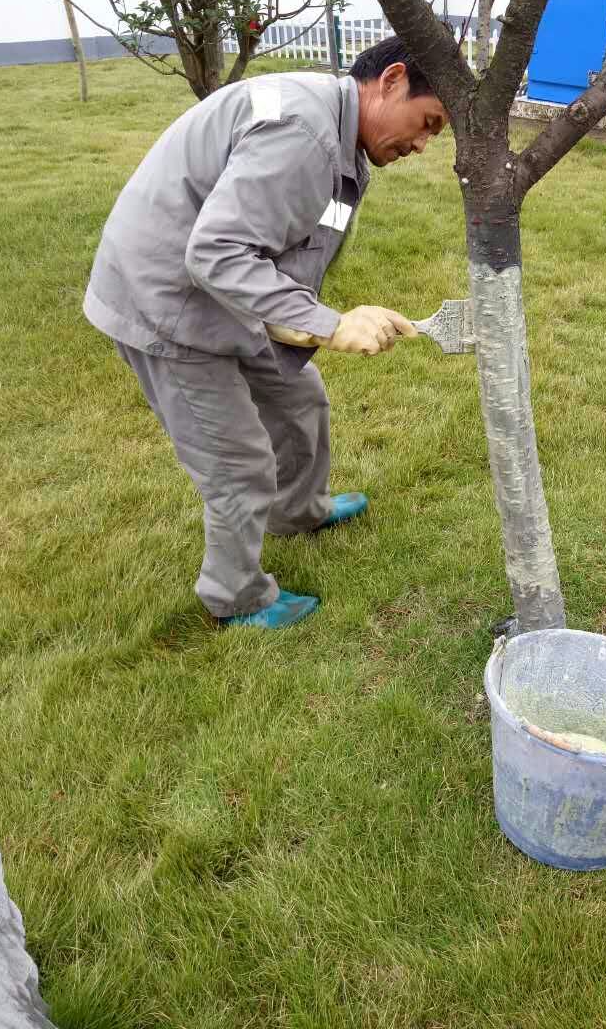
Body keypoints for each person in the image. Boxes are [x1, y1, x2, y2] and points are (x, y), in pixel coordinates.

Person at [83, 36, 448, 629]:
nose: (424, 144)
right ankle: (236, 598)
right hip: (168, 302)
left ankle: (297, 510)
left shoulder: (344, 143)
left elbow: (296, 242)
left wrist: (300, 325)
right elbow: (216, 252)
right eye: (428, 122)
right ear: (392, 80)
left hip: (227, 295)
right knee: (239, 462)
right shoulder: (303, 134)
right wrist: (328, 324)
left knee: (298, 400)